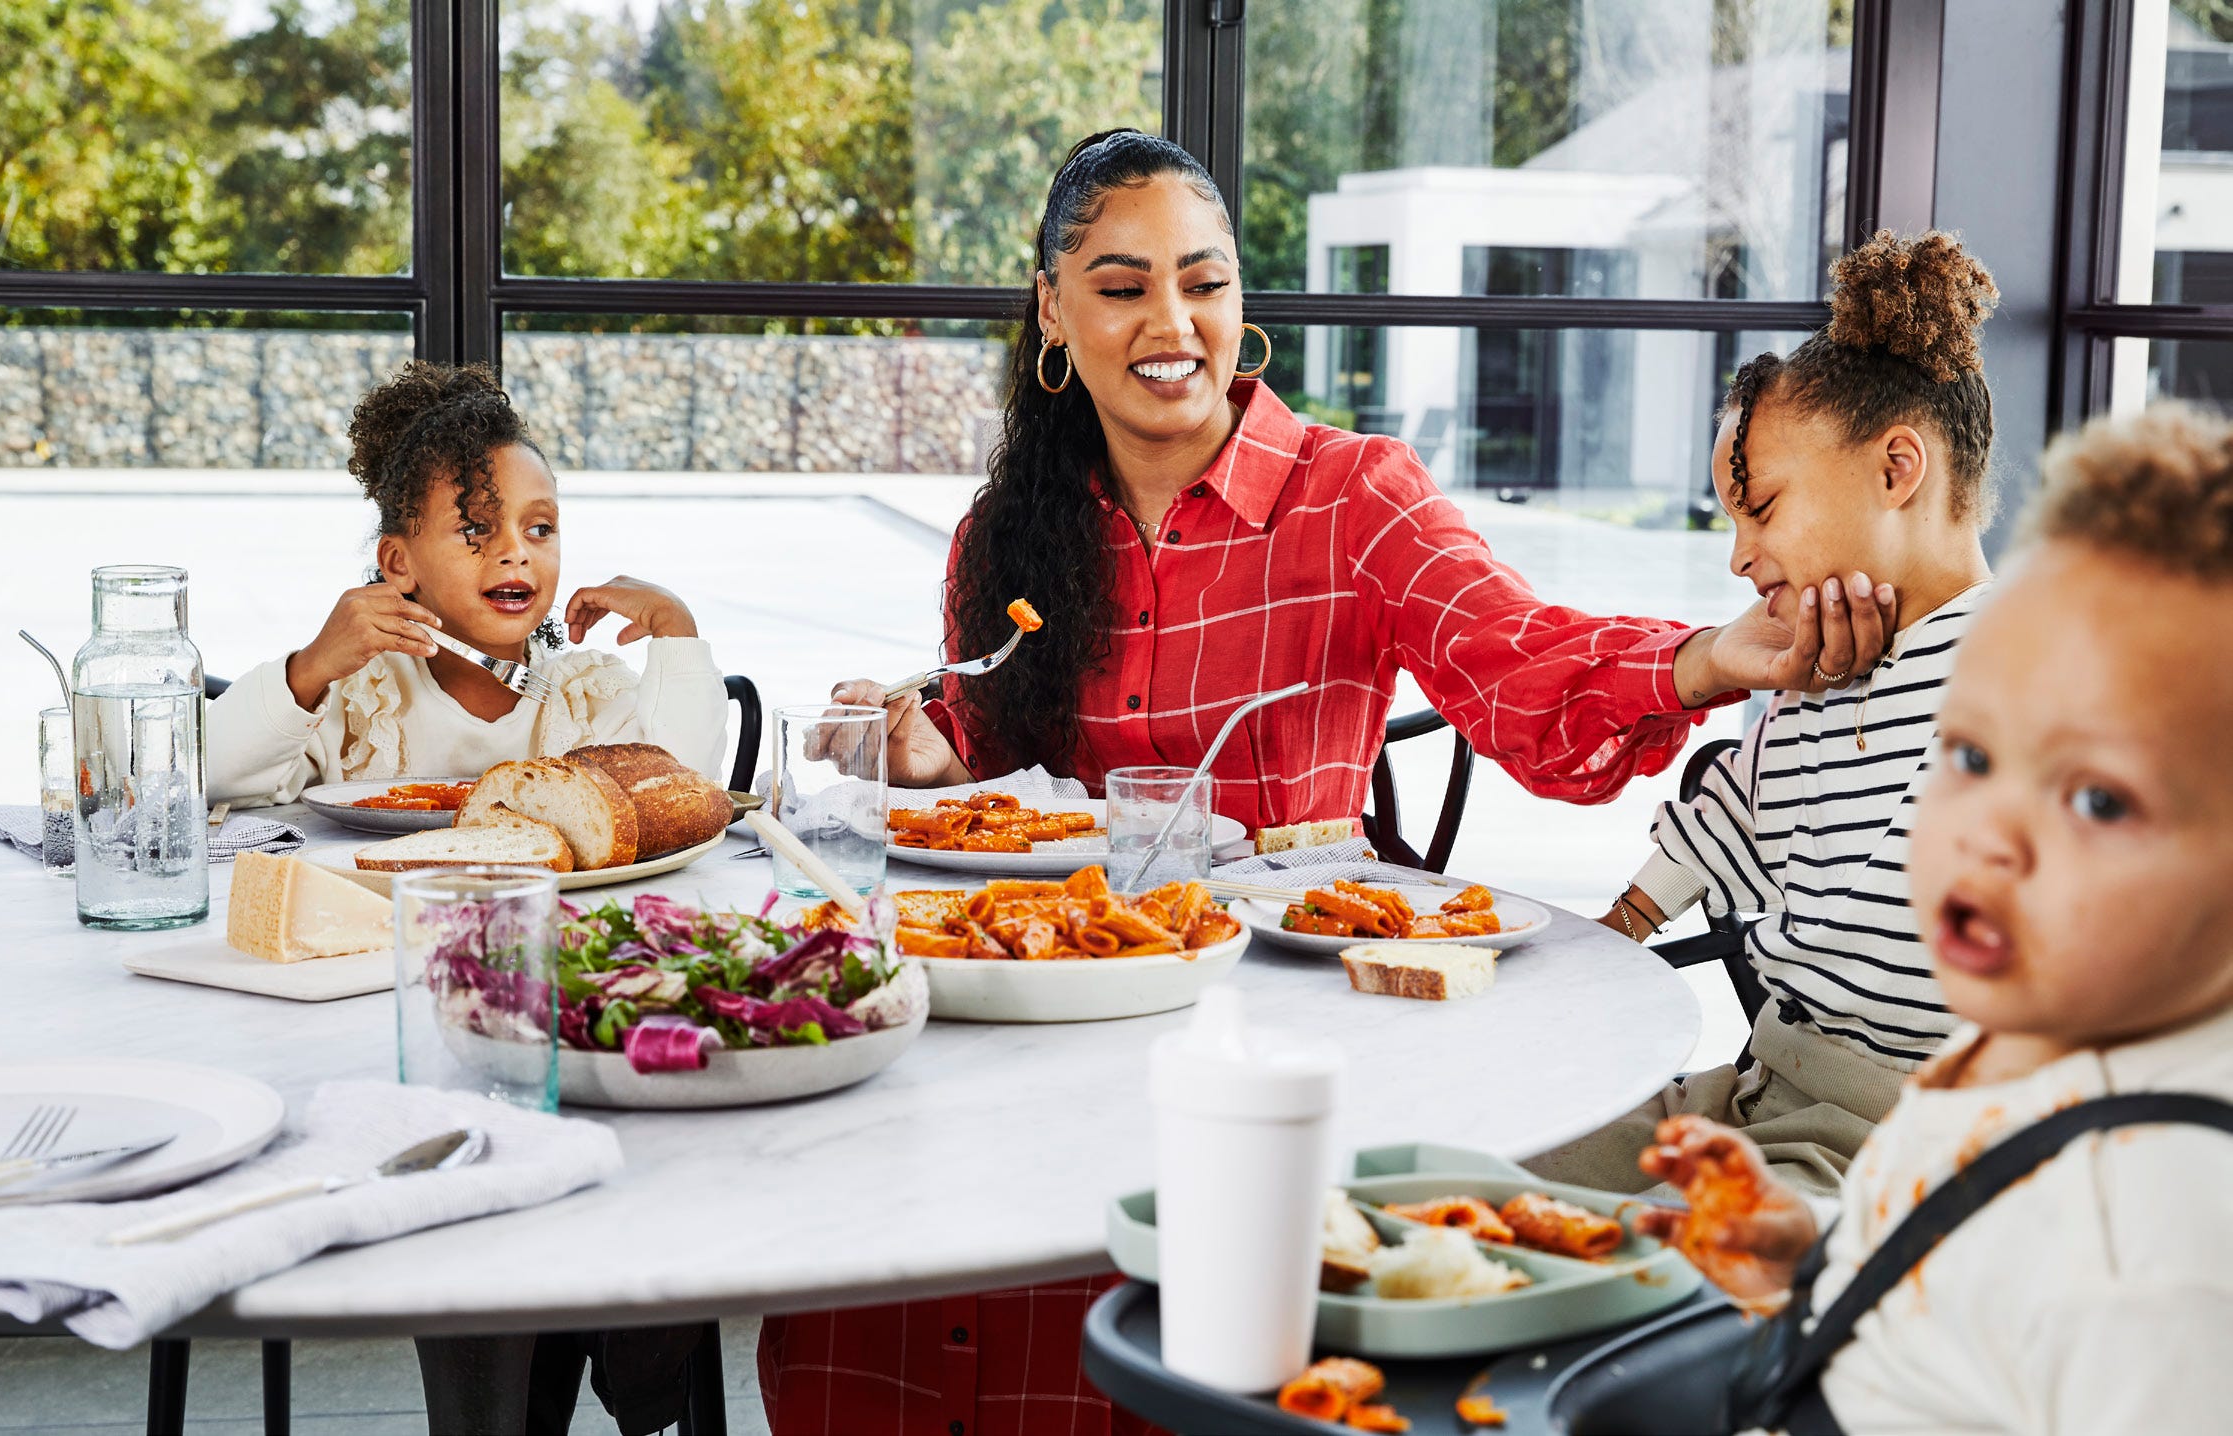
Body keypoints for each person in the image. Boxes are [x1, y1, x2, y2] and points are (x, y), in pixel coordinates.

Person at [776, 128, 1895, 1436]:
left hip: (1285, 1017)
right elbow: (1010, 776)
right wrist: (932, 749)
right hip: (1054, 998)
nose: (1172, 323)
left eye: (1203, 281)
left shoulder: (1349, 496)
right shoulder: (1000, 530)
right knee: (896, 1190)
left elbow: (1509, 655)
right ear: (1051, 310)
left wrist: (1708, 656)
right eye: (1123, 286)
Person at [1639, 402, 2233, 1433]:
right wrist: (1810, 1248)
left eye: (2098, 798)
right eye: (1966, 755)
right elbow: (1950, 1271)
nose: (1985, 830)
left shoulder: (2157, 1249)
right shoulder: (2004, 1056)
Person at [1531, 231, 2003, 1197]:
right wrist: (1612, 929)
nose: (1739, 557)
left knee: (1665, 1276)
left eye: (1764, 509)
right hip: (1755, 1094)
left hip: (1913, 1146)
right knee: (1484, 1150)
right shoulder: (1821, 668)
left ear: (1895, 470)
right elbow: (1727, 820)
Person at [207, 360, 728, 803]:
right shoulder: (355, 700)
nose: (516, 552)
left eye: (540, 528)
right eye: (476, 527)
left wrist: (675, 629)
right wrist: (310, 667)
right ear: (399, 563)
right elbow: (206, 777)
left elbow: (683, 793)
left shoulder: (586, 697)